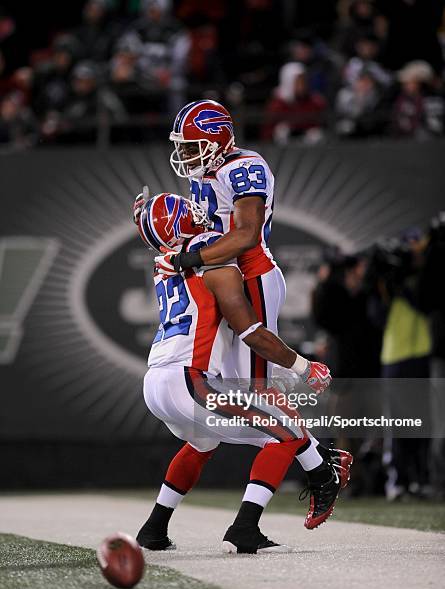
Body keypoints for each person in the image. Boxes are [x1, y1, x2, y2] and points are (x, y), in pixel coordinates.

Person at [132, 191, 350, 553]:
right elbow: (251, 332)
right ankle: (245, 528)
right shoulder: (211, 255)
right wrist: (302, 366)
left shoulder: (165, 261)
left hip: (156, 381)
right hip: (190, 380)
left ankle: (154, 529)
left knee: (203, 441)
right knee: (286, 432)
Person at [152, 99, 352, 480]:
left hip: (251, 275)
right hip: (226, 276)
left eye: (193, 146)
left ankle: (321, 467)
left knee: (256, 387)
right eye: (183, 147)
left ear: (219, 139)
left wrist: (190, 259)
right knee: (240, 389)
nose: (186, 155)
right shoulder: (204, 171)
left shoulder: (244, 166)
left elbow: (245, 235)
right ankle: (319, 460)